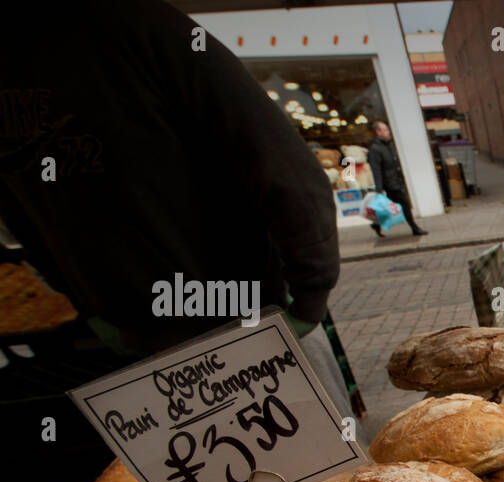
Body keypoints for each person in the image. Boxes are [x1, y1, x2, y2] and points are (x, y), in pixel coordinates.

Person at [0, 0, 355, 420]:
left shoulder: (135, 22)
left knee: (328, 474)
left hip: (245, 317)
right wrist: (87, 305)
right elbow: (25, 215)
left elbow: (275, 157)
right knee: (237, 477)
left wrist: (307, 292)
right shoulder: (135, 22)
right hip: (155, 335)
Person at [367, 121, 427, 236]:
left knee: (388, 208)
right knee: (404, 205)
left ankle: (376, 225)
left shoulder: (388, 145)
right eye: (385, 130)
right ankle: (415, 228)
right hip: (389, 184)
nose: (388, 132)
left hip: (396, 181)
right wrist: (379, 189)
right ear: (378, 132)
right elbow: (376, 170)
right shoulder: (375, 149)